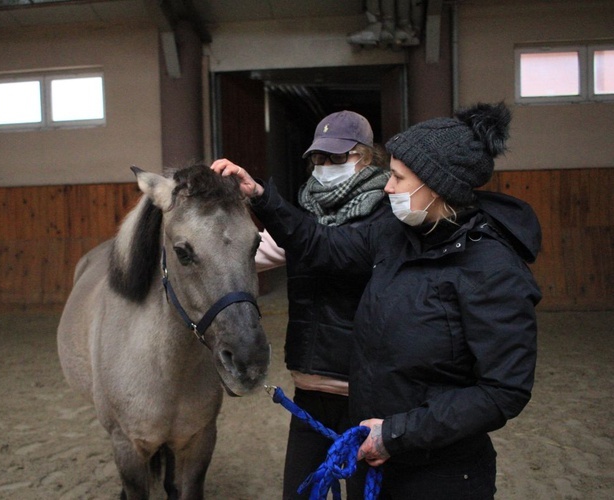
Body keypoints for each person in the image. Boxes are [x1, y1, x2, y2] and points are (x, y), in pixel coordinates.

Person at [212, 102, 541, 499]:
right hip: (377, 450)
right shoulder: (394, 234)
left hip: (439, 473)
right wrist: (262, 197)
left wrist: (396, 434)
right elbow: (321, 244)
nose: (387, 186)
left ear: (435, 185)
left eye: (399, 178)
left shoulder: (492, 269)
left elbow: (503, 391)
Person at [250, 110, 391, 499]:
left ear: (365, 156)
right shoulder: (304, 216)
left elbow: (320, 246)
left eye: (337, 157)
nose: (325, 166)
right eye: (319, 158)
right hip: (310, 390)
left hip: (365, 393)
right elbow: (256, 250)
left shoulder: (385, 215)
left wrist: (264, 199)